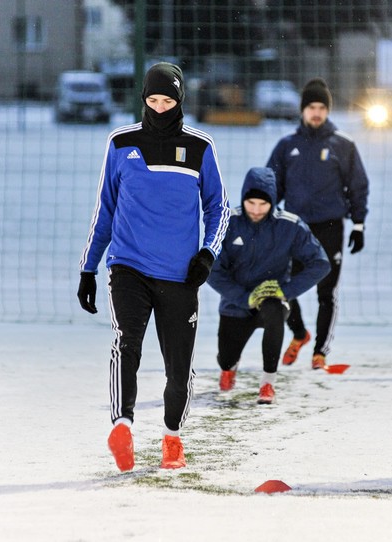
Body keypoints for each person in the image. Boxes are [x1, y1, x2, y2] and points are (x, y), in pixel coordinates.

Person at [77, 62, 230, 472]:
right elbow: (105, 211)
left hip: (181, 275)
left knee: (178, 366)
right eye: (152, 99)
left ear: (179, 101)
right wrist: (88, 269)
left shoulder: (200, 148)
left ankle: (172, 439)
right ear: (143, 98)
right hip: (128, 267)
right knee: (127, 341)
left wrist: (207, 254)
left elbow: (219, 207)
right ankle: (122, 426)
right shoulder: (120, 143)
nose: (159, 108)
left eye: (167, 100)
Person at [266, 78, 369, 370]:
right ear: (302, 110)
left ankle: (320, 351)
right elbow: (271, 185)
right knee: (284, 287)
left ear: (327, 110)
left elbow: (358, 186)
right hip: (295, 228)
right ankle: (299, 333)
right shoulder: (287, 146)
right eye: (311, 107)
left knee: (326, 291)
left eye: (321, 107)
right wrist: (264, 220)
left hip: (331, 227)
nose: (316, 112)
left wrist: (359, 224)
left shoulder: (343, 145)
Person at [207, 167, 330, 404]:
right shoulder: (229, 223)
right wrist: (244, 298)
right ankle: (229, 367)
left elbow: (320, 263)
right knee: (226, 358)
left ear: (272, 202)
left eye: (262, 204)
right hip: (237, 302)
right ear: (243, 198)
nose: (255, 210)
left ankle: (267, 382)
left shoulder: (290, 225)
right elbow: (213, 270)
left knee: (274, 311)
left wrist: (286, 292)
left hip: (273, 298)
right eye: (250, 202)